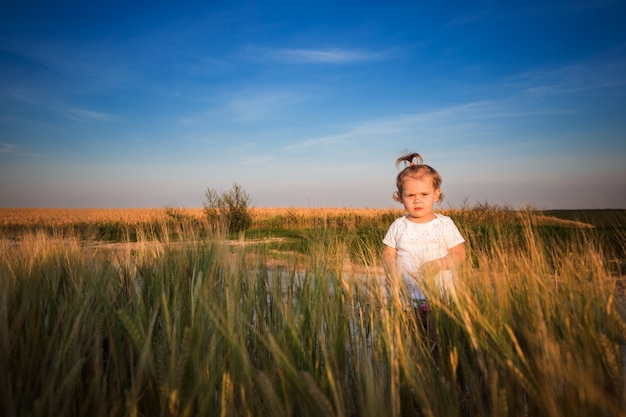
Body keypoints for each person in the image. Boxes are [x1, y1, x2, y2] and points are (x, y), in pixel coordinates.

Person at [383, 152, 466, 304]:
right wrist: (391, 272)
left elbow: (459, 254)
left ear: (436, 195)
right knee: (409, 327)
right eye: (410, 195)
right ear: (400, 197)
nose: (417, 200)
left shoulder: (444, 224)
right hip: (405, 297)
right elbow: (388, 254)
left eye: (424, 194)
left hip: (440, 296)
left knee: (435, 328)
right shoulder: (398, 226)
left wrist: (439, 264)